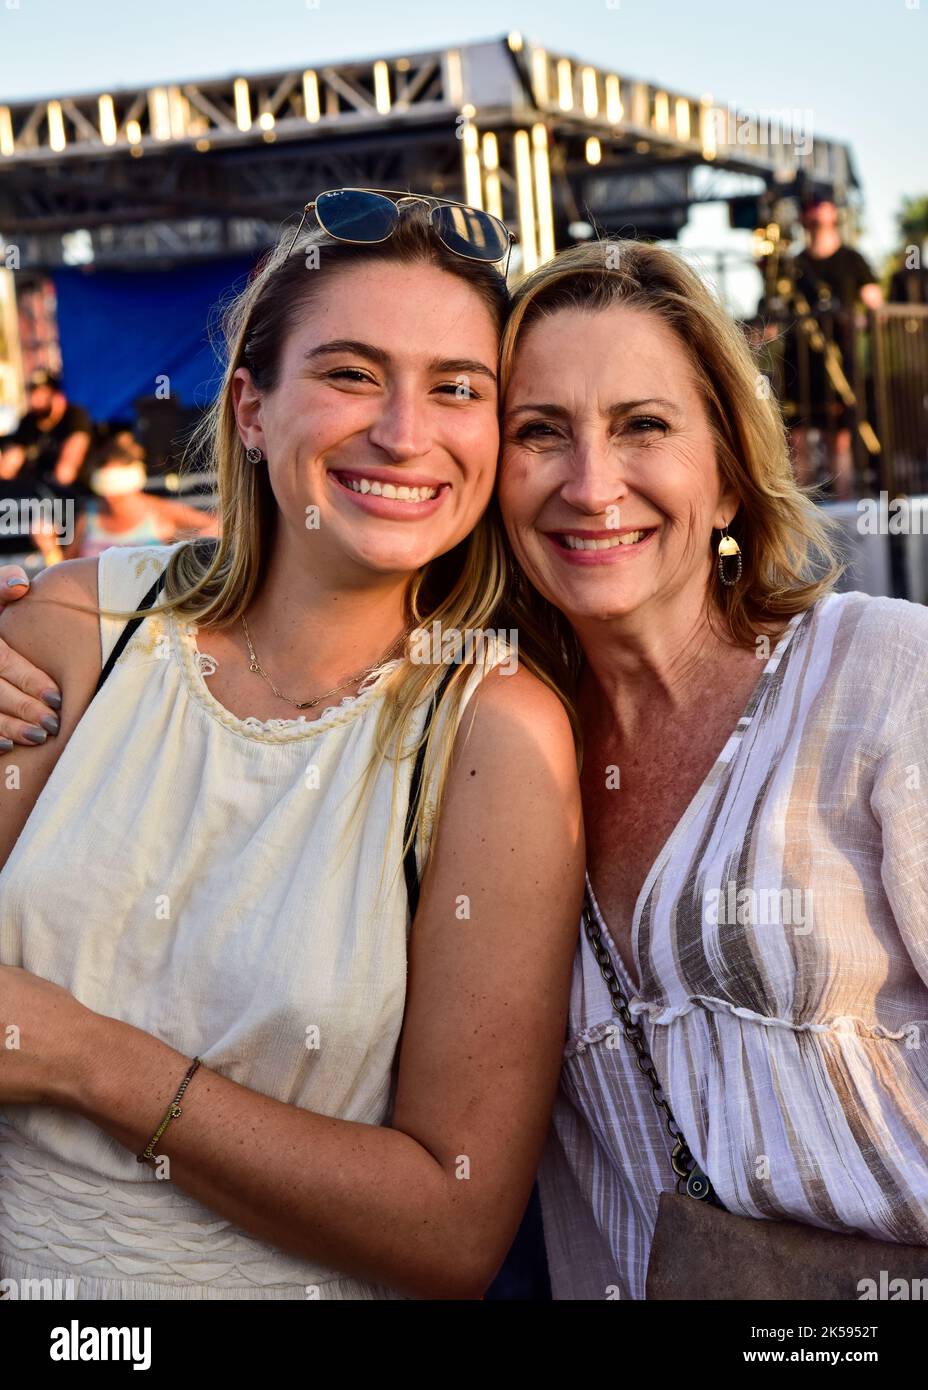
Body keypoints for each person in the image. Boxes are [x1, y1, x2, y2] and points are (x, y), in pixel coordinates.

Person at [0, 196, 584, 1299]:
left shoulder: (491, 732)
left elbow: (452, 1225)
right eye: (352, 373)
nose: (405, 432)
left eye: (457, 387)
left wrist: (87, 1058)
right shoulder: (81, 627)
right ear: (250, 407)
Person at [494, 239, 928, 1298]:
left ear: (728, 479)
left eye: (643, 425)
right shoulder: (482, 749)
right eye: (539, 433)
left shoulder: (882, 676)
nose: (592, 486)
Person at [782, 193, 883, 498]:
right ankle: (804, 525)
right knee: (798, 442)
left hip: (840, 366)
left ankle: (843, 517)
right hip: (799, 365)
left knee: (838, 441)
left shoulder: (852, 259)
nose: (817, 215)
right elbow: (776, 307)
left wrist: (863, 319)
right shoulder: (794, 264)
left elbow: (874, 303)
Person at [65, 438, 218, 558]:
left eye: (115, 484)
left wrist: (189, 543)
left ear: (133, 479)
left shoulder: (161, 512)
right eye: (104, 485)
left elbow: (216, 527)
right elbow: (67, 565)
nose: (109, 496)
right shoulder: (88, 517)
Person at [0, 369, 94, 566]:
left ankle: (65, 569)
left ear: (57, 396)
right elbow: (9, 463)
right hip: (40, 500)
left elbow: (67, 468)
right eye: (33, 393)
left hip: (75, 498)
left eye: (42, 393)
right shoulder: (29, 421)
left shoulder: (74, 416)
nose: (35, 399)